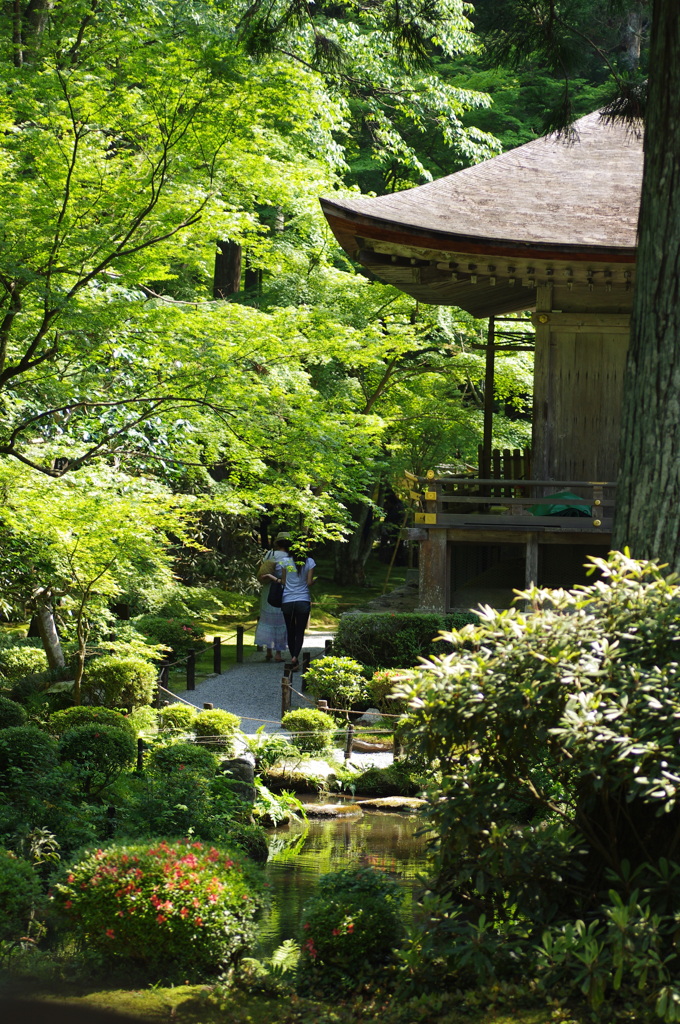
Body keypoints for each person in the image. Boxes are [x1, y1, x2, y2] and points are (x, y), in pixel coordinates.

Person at [254, 533, 290, 662]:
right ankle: (278, 653)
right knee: (281, 622)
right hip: (282, 591)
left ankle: (268, 651)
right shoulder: (290, 558)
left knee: (267, 619)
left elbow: (263, 571)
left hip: (268, 591)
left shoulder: (270, 554)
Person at [280, 543, 315, 670]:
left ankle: (293, 658)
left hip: (287, 600)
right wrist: (315, 581)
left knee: (290, 630)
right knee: (300, 631)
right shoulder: (309, 562)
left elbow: (283, 581)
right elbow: (309, 582)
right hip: (303, 600)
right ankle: (295, 656)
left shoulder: (285, 561)